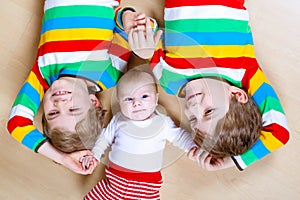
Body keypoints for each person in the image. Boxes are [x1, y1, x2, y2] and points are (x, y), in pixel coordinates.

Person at [128, 0, 290, 171]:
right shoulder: (243, 72)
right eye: (208, 112)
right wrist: (234, 161)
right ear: (237, 94)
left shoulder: (170, 82)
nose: (193, 107)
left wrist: (141, 44)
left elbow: (148, 31)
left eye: (193, 120)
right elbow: (279, 133)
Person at [6, 0, 148, 174]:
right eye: (73, 109)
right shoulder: (110, 74)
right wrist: (128, 18)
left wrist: (63, 158)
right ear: (94, 102)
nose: (60, 102)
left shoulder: (43, 74)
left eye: (52, 113)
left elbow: (17, 123)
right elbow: (126, 27)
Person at [81, 69, 198, 199]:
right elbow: (104, 137)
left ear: (156, 99)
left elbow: (179, 136)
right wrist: (95, 155)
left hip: (146, 187)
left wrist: (192, 147)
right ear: (120, 102)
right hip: (114, 182)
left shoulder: (162, 123)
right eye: (128, 99)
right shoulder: (119, 119)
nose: (136, 103)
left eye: (144, 96)